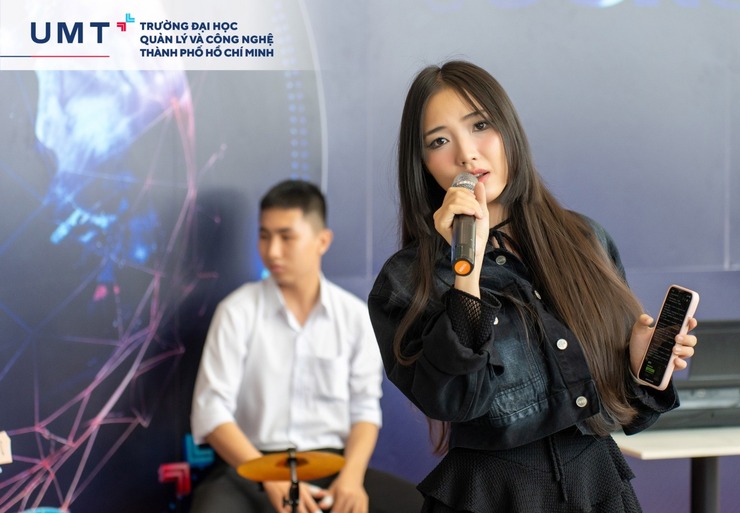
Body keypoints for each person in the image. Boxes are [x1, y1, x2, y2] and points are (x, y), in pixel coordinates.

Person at [367, 60, 699, 513]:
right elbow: (455, 400)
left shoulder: (585, 239)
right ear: (423, 164)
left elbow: (619, 411)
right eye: (439, 141)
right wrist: (467, 271)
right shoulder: (406, 280)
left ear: (508, 130)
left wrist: (637, 367)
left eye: (480, 125)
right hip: (489, 495)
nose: (467, 154)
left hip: (598, 486)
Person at [190, 179, 419, 513]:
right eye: (265, 236)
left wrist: (351, 479)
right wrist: (269, 477)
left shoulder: (354, 317)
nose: (272, 251)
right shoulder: (236, 312)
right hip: (251, 467)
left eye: (286, 237)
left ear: (322, 241)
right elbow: (211, 411)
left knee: (419, 505)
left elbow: (365, 410)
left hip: (332, 466)